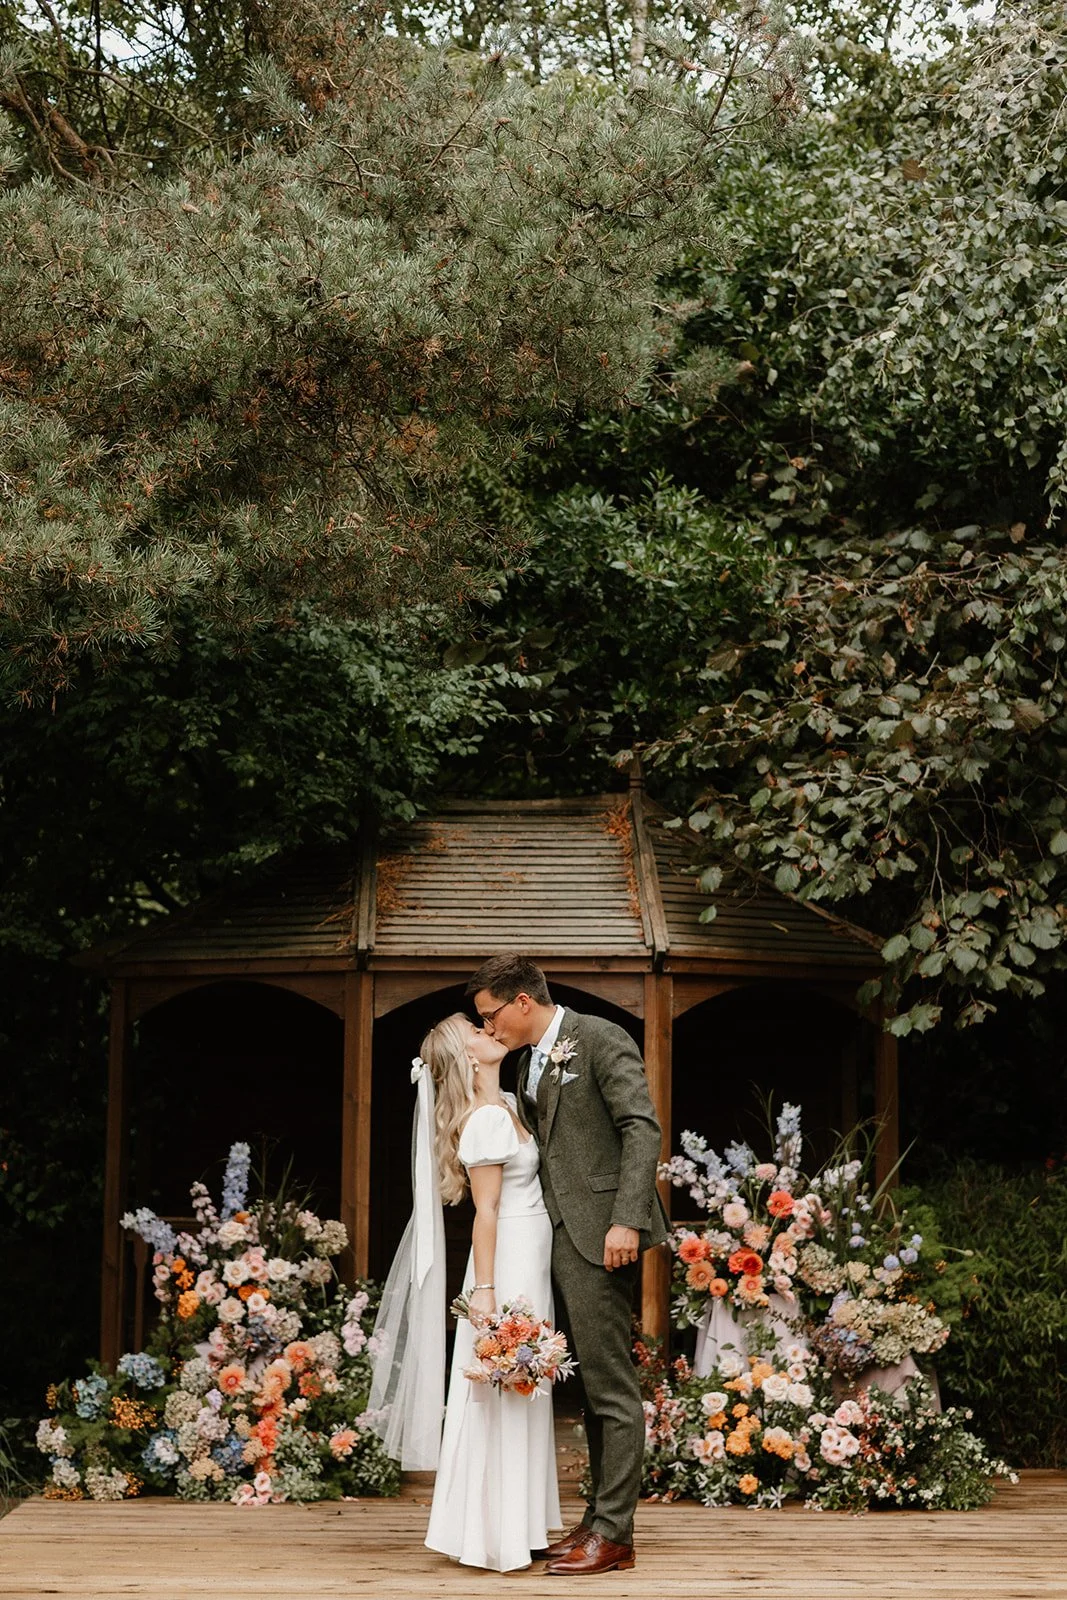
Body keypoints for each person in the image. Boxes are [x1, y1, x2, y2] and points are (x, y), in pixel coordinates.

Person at [467, 954, 668, 1576]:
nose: (488, 1026)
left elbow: (642, 1129)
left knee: (611, 1385)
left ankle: (616, 1537)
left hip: (603, 1233)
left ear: (522, 1001)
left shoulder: (603, 1039)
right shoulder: (527, 1062)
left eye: (490, 1014)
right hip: (553, 1240)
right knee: (586, 1388)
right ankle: (595, 1521)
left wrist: (627, 1219)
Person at [368, 1011, 561, 1572]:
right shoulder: (485, 1121)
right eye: (477, 1031)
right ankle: (494, 1535)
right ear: (468, 1057)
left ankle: (518, 1525)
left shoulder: (509, 1107)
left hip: (527, 1256)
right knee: (503, 1386)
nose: (490, 1029)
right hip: (508, 1264)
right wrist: (485, 1290)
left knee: (523, 1384)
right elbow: (487, 1211)